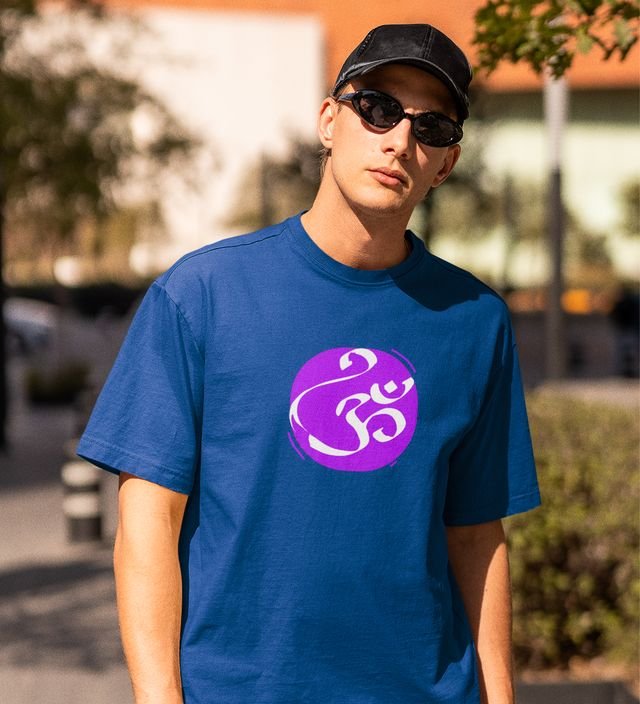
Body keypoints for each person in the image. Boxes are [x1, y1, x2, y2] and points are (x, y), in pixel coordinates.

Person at [78, 23, 541, 704]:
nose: (399, 140)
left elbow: (476, 537)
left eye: (431, 127)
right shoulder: (202, 295)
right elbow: (148, 519)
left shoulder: (474, 320)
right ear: (329, 120)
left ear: (445, 163)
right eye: (378, 108)